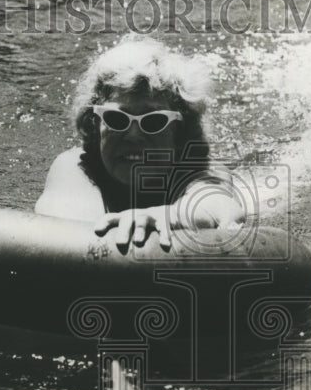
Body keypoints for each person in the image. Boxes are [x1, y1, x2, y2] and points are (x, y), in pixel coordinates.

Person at [35, 36, 245, 250]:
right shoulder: (74, 166)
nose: (133, 135)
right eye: (116, 119)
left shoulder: (200, 168)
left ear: (180, 134)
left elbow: (220, 208)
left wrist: (167, 217)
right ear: (95, 125)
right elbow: (66, 222)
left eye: (154, 121)